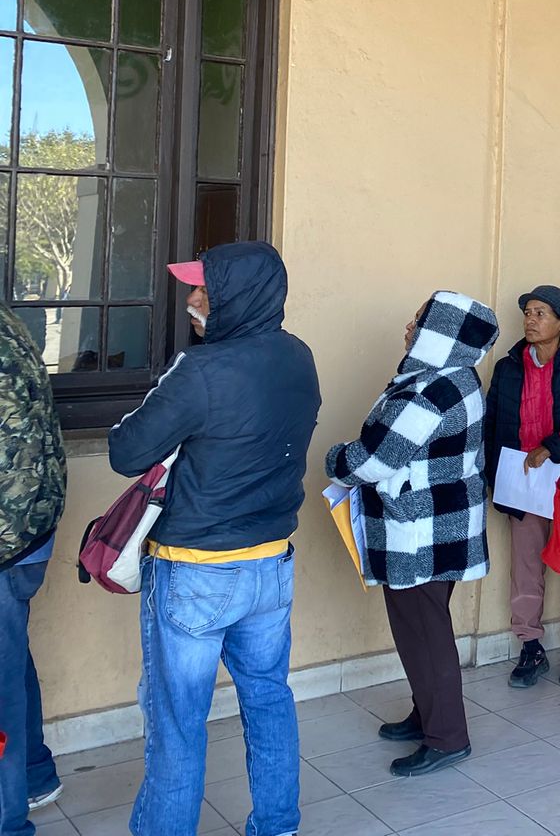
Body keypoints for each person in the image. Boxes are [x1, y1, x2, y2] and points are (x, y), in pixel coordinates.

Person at [109, 243, 321, 832]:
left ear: (238, 296)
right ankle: (277, 825)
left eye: (206, 290)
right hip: (270, 566)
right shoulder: (298, 357)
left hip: (196, 571)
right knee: (269, 700)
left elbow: (126, 451)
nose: (193, 300)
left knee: (177, 722)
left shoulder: (200, 370)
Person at [327, 291, 497, 778]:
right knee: (422, 627)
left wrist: (335, 459)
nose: (409, 326)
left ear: (441, 331)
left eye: (420, 320)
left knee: (426, 633)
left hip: (420, 530)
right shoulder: (449, 377)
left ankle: (447, 738)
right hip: (434, 525)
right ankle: (428, 713)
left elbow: (376, 458)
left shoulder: (434, 389)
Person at [482, 285, 560, 689]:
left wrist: (553, 447)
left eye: (541, 313)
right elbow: (492, 423)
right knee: (525, 564)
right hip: (522, 481)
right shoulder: (509, 366)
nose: (531, 320)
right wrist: (494, 476)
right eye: (528, 312)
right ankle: (530, 645)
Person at [0, 304, 66, 836]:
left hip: (6, 537)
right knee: (9, 658)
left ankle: (8, 820)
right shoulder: (9, 323)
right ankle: (35, 773)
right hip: (29, 534)